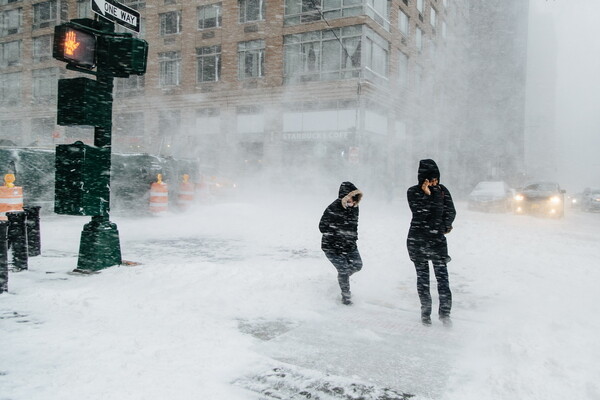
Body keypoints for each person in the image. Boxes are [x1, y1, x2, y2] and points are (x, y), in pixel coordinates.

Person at [406, 159, 456, 326]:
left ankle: (445, 314)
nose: (435, 183)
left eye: (437, 179)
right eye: (431, 180)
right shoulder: (413, 192)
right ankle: (425, 313)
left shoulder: (442, 191)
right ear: (423, 179)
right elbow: (420, 214)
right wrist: (428, 195)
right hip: (417, 241)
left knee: (443, 280)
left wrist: (444, 226)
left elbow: (450, 211)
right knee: (423, 280)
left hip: (437, 241)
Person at [319, 181, 364, 305]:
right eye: (351, 198)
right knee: (343, 270)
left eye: (356, 199)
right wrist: (337, 233)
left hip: (349, 245)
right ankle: (346, 296)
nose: (353, 201)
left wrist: (352, 240)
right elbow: (322, 227)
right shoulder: (333, 208)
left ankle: (342, 279)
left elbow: (354, 226)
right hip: (331, 246)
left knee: (358, 265)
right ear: (344, 196)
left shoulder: (355, 208)